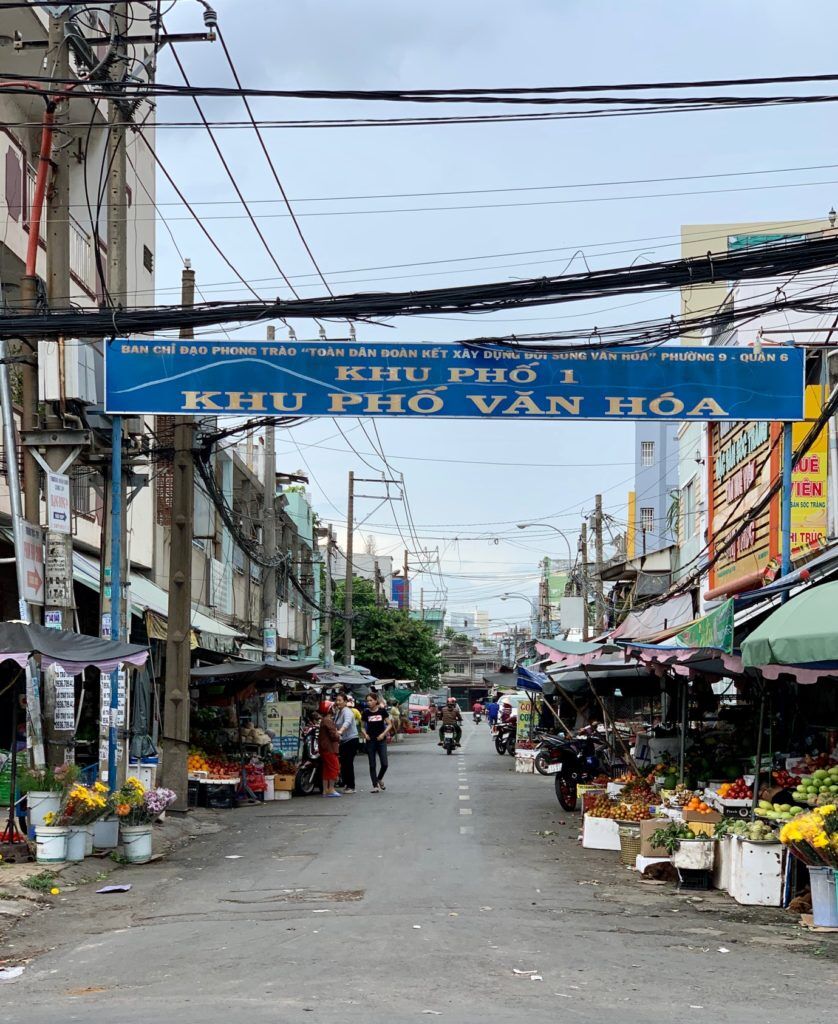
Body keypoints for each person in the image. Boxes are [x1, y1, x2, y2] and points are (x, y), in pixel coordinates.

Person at [361, 692, 392, 793]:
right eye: (367, 701)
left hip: (381, 740)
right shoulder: (365, 713)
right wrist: (365, 735)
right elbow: (361, 726)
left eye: (371, 700)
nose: (369, 702)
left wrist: (383, 734)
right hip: (371, 741)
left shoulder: (382, 712)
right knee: (372, 764)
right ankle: (375, 785)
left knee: (384, 764)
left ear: (376, 701)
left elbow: (389, 724)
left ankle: (379, 778)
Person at [333, 693, 359, 794]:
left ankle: (351, 786)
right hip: (343, 741)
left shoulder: (347, 711)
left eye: (340, 700)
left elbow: (347, 723)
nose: (338, 702)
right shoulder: (338, 712)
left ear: (345, 701)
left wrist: (341, 731)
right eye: (337, 700)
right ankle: (346, 784)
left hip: (351, 740)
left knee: (348, 763)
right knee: (343, 763)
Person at [317, 707, 342, 798]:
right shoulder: (328, 721)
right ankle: (331, 789)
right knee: (334, 768)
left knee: (326, 770)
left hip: (324, 748)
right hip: (330, 748)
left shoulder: (324, 720)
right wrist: (338, 734)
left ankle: (325, 790)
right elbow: (334, 735)